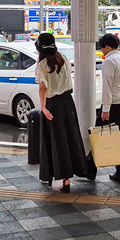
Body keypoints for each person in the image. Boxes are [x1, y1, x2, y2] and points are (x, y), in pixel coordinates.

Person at [34, 33, 89, 192]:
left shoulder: (42, 65)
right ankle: (66, 179)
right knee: (69, 138)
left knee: (52, 140)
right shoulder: (63, 58)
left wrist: (43, 107)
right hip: (67, 102)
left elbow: (43, 88)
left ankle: (49, 175)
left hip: (52, 104)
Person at [97, 33, 120, 183]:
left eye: (102, 47)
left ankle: (90, 169)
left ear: (107, 46)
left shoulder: (109, 61)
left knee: (97, 135)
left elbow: (107, 88)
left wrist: (106, 109)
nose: (101, 50)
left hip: (113, 105)